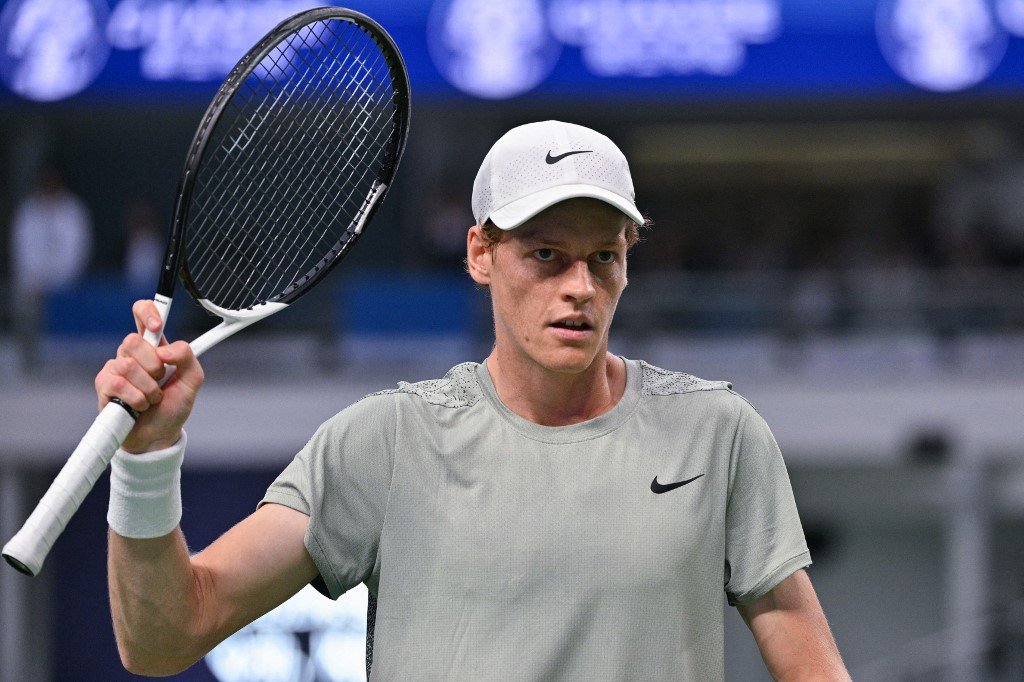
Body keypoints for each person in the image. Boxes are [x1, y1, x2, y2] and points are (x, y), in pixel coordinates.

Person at [99, 121, 850, 680]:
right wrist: (146, 457)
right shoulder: (384, 442)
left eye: (604, 257)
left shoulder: (718, 434)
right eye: (546, 255)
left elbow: (808, 659)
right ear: (480, 254)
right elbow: (166, 635)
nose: (580, 287)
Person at [11, 163, 93, 372]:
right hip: (34, 282)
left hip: (68, 281)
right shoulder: (28, 210)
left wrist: (59, 280)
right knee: (23, 301)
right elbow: (23, 251)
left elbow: (77, 251)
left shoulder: (73, 210)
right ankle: (28, 359)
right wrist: (36, 280)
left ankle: (74, 363)